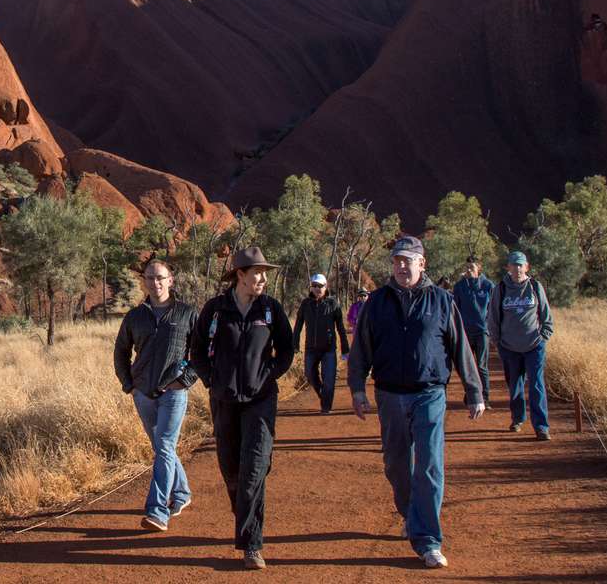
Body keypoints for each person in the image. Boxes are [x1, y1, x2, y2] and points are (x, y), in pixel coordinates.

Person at [347, 236, 484, 569]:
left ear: (423, 264)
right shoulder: (377, 302)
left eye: (408, 260)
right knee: (396, 464)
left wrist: (474, 390)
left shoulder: (441, 300)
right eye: (397, 261)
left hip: (429, 393)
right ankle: (411, 512)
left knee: (429, 465)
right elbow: (361, 347)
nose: (402, 266)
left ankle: (427, 540)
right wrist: (357, 388)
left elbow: (459, 345)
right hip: (389, 393)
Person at [190, 246, 296, 571]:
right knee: (231, 471)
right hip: (223, 400)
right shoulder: (216, 309)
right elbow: (196, 351)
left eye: (264, 272)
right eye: (257, 273)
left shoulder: (270, 309)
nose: (263, 278)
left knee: (253, 469)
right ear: (240, 275)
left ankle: (252, 545)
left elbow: (287, 349)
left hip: (260, 400)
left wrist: (269, 375)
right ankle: (245, 516)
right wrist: (211, 381)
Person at [114, 260, 201, 531]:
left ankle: (157, 511)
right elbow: (121, 351)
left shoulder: (187, 313)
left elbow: (201, 352)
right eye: (150, 278)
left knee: (163, 445)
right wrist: (129, 385)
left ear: (171, 280)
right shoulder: (135, 316)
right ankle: (182, 492)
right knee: (163, 448)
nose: (156, 283)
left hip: (174, 392)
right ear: (144, 282)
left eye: (161, 278)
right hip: (143, 392)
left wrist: (185, 381)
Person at [487, 251, 553, 440]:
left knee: (537, 386)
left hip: (534, 345)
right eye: (513, 265)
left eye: (520, 265)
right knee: (515, 385)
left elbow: (545, 314)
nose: (517, 269)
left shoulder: (535, 286)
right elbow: (493, 317)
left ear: (526, 267)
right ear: (508, 267)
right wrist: (498, 342)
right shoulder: (500, 289)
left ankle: (541, 427)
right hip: (509, 347)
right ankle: (517, 419)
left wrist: (543, 336)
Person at [293, 273, 350, 413]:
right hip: (311, 348)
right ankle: (323, 396)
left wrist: (345, 348)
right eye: (315, 286)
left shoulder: (333, 304)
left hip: (329, 349)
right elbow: (298, 324)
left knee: (329, 380)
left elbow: (341, 328)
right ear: (311, 287)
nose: (318, 288)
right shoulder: (306, 304)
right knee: (310, 375)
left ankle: (326, 407)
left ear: (326, 287)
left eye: (321, 286)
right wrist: (294, 344)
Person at [451, 257, 495, 407]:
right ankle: (470, 394)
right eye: (467, 267)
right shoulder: (459, 287)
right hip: (465, 332)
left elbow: (493, 308)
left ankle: (485, 396)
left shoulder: (488, 286)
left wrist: (491, 327)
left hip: (482, 331)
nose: (469, 270)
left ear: (479, 269)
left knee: (482, 366)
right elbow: (455, 309)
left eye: (472, 268)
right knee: (467, 365)